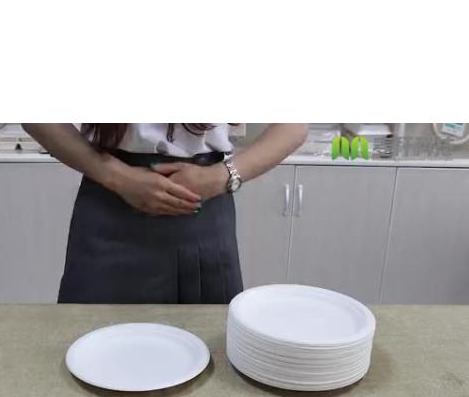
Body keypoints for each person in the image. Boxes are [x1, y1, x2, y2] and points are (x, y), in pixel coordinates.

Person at [22, 123, 308, 304]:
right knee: (90, 344)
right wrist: (116, 177)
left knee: (209, 351)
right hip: (109, 207)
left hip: (202, 208)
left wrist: (220, 177)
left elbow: (294, 126)